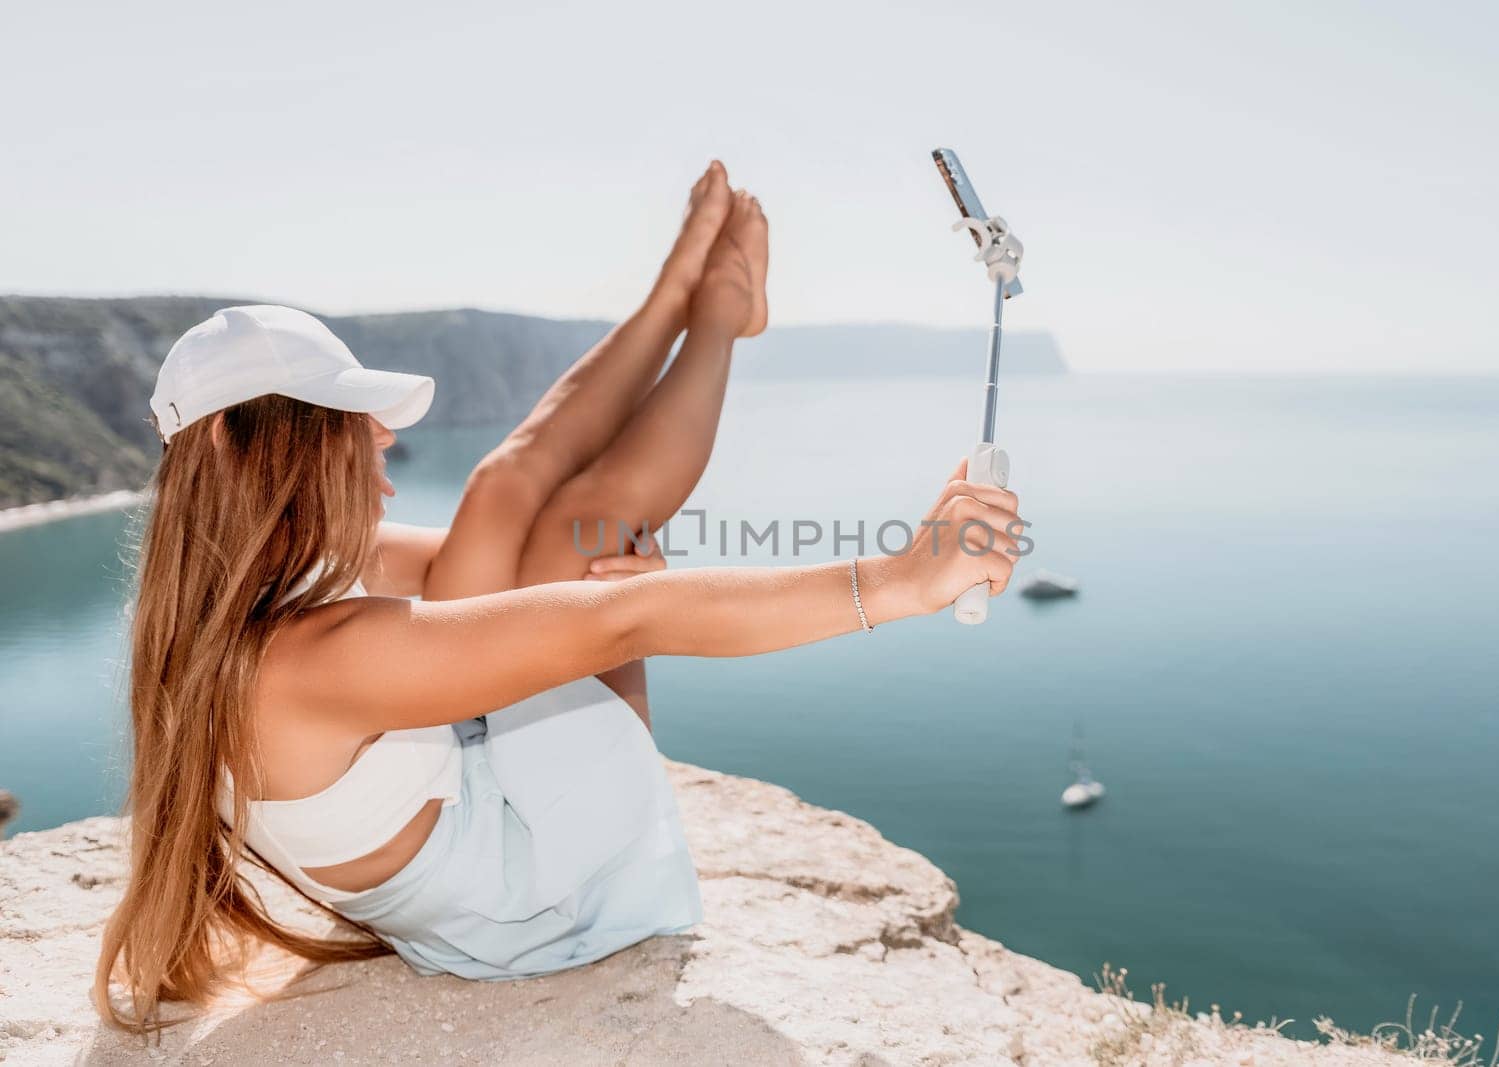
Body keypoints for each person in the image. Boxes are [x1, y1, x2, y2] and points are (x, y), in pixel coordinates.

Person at [93, 162, 1025, 1031]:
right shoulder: (311, 659)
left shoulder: (227, 603)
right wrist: (903, 579)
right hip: (543, 893)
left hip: (474, 828)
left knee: (508, 498)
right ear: (241, 450)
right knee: (587, 529)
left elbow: (489, 522)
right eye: (349, 416)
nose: (382, 436)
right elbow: (629, 615)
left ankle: (687, 303)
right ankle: (720, 314)